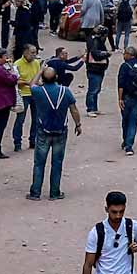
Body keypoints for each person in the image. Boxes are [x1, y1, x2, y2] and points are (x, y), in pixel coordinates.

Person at [27, 66, 82, 200]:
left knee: (39, 163)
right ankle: (55, 192)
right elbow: (74, 109)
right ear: (56, 77)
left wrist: (40, 70)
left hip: (43, 130)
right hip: (60, 131)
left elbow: (31, 84)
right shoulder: (65, 91)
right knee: (57, 162)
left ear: (43, 79)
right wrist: (78, 124)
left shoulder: (39, 91)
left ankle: (35, 192)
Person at [116, 46, 137, 155]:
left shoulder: (125, 66)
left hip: (127, 96)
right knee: (133, 121)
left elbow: (120, 83)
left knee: (125, 120)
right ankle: (129, 145)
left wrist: (120, 98)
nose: (123, 55)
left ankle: (126, 141)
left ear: (130, 55)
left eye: (125, 53)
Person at [10, 43, 41, 152]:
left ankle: (33, 141)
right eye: (32, 53)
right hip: (23, 94)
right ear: (25, 52)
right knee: (20, 119)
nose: (34, 55)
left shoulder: (36, 63)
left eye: (35, 53)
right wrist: (29, 83)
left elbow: (37, 77)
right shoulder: (17, 64)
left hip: (35, 93)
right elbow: (16, 80)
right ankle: (17, 142)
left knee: (36, 119)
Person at [83, 25, 113, 117]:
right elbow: (96, 55)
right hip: (94, 69)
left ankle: (94, 108)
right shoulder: (95, 42)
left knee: (96, 89)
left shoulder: (96, 41)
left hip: (98, 69)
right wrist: (106, 54)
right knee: (93, 90)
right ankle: (90, 109)